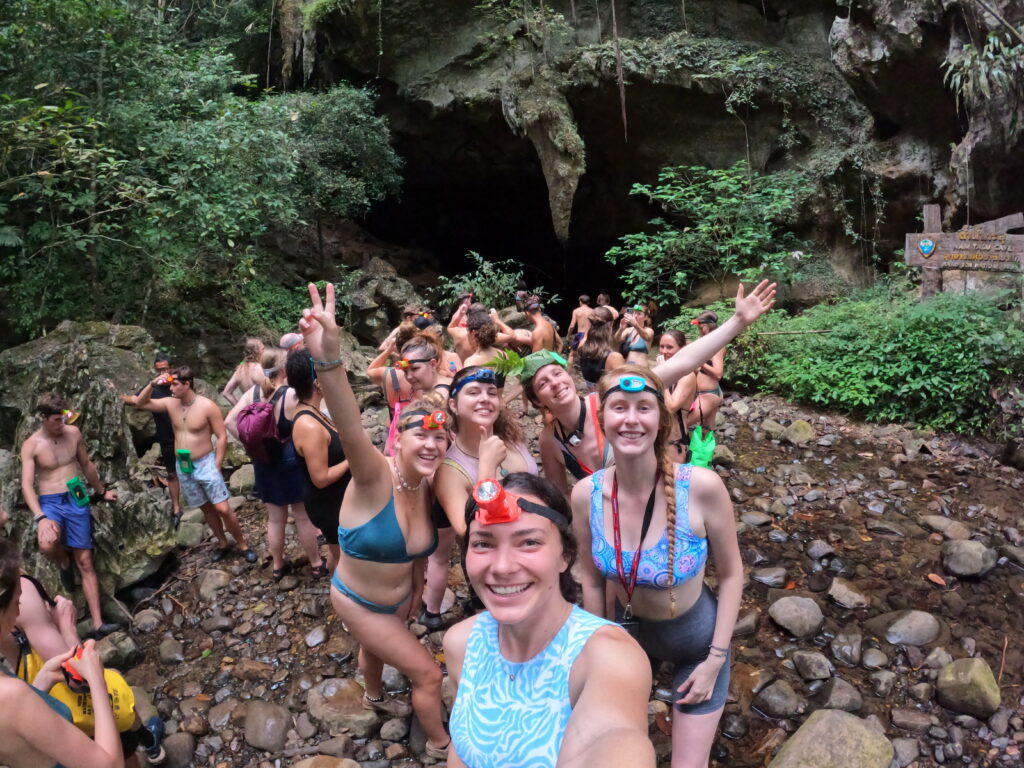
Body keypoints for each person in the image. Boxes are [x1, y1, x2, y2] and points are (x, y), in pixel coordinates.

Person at [298, 282, 451, 760]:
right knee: (427, 674)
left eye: (440, 438)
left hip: (398, 600)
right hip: (359, 600)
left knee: (377, 647)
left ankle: (372, 694)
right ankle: (444, 746)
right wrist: (328, 358)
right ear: (397, 440)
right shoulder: (371, 476)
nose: (431, 444)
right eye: (419, 436)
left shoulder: (431, 482)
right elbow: (346, 420)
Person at [571, 365, 743, 768]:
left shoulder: (700, 487)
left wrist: (715, 660)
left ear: (661, 420)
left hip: (696, 643)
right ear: (602, 418)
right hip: (623, 635)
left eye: (644, 408)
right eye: (619, 408)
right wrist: (600, 649)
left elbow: (733, 575)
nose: (631, 419)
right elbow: (592, 582)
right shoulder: (586, 495)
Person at [444, 473, 655, 768]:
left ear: (565, 556)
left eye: (529, 542)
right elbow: (463, 749)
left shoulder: (608, 657)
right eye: (483, 544)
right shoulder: (461, 644)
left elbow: (616, 737)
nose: (502, 566)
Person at [525, 280, 777, 497]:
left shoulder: (609, 400)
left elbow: (682, 362)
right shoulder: (550, 440)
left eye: (557, 373)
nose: (556, 383)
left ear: (568, 375)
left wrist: (738, 321)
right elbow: (560, 495)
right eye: (543, 383)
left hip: (653, 505)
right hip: (605, 524)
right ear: (537, 400)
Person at [3, 547, 166, 766]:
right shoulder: (12, 695)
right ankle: (149, 743)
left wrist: (42, 680)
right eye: (16, 602)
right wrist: (70, 633)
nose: (19, 608)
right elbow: (75, 675)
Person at [20, 394, 119, 637]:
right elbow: (26, 485)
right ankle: (64, 561)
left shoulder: (73, 433)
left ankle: (97, 623)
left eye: (63, 418)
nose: (61, 424)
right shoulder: (32, 444)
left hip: (76, 497)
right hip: (51, 501)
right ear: (43, 418)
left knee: (85, 560)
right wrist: (41, 518)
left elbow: (86, 465)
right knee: (46, 544)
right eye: (56, 420)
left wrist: (102, 491)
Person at [135, 367, 256, 563]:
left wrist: (217, 464)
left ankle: (243, 545)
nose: (170, 388)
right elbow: (140, 403)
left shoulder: (207, 406)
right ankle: (223, 542)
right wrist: (152, 383)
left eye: (174, 384)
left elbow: (222, 436)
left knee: (223, 508)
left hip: (205, 461)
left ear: (186, 384)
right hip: (184, 465)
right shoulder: (169, 403)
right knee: (205, 508)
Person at [225, 349, 326, 580]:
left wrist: (252, 445)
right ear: (284, 370)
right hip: (290, 460)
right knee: (302, 516)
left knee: (275, 518)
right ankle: (316, 563)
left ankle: (278, 566)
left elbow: (229, 421)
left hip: (263, 462)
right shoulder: (291, 394)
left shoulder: (252, 392)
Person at [435, 367, 537, 538]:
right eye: (473, 393)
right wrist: (486, 469)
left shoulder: (513, 439)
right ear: (454, 405)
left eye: (491, 393)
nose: (485, 399)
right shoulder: (449, 471)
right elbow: (468, 533)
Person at [288, 349, 351, 575]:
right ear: (317, 382)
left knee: (340, 554)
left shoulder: (315, 411)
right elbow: (321, 478)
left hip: (338, 501)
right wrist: (351, 460)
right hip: (328, 504)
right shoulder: (309, 425)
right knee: (343, 558)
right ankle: (343, 597)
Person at [121, 353, 182, 524]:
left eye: (165, 369)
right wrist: (115, 395)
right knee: (171, 473)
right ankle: (176, 508)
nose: (162, 373)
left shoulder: (179, 385)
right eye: (159, 370)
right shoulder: (153, 389)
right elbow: (135, 400)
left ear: (171, 367)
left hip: (185, 435)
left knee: (192, 469)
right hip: (166, 438)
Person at [658, 330, 697, 461]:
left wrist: (661, 377)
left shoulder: (687, 376)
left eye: (669, 347)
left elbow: (671, 408)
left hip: (675, 443)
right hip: (657, 440)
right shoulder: (660, 373)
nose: (664, 351)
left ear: (681, 349)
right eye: (662, 346)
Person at [686, 312, 725, 433]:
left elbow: (718, 374)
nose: (699, 331)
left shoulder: (718, 346)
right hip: (705, 393)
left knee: (681, 424)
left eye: (701, 327)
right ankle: (708, 452)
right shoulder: (706, 343)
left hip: (709, 394)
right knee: (707, 430)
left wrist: (700, 362)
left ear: (709, 326)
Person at [576, 307, 624, 392]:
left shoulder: (582, 345)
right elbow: (622, 388)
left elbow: (590, 335)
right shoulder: (614, 357)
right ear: (610, 325)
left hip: (591, 398)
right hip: (606, 401)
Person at [221, 338, 265, 405]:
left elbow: (226, 393)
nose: (265, 351)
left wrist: (240, 408)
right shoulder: (259, 368)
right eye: (263, 349)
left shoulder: (239, 370)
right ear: (256, 351)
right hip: (263, 410)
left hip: (249, 412)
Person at [567, 295, 594, 364]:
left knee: (572, 354)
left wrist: (568, 335)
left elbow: (572, 326)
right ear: (588, 302)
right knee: (590, 354)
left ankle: (569, 372)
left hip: (580, 335)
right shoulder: (593, 311)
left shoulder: (576, 311)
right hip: (590, 334)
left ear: (580, 302)